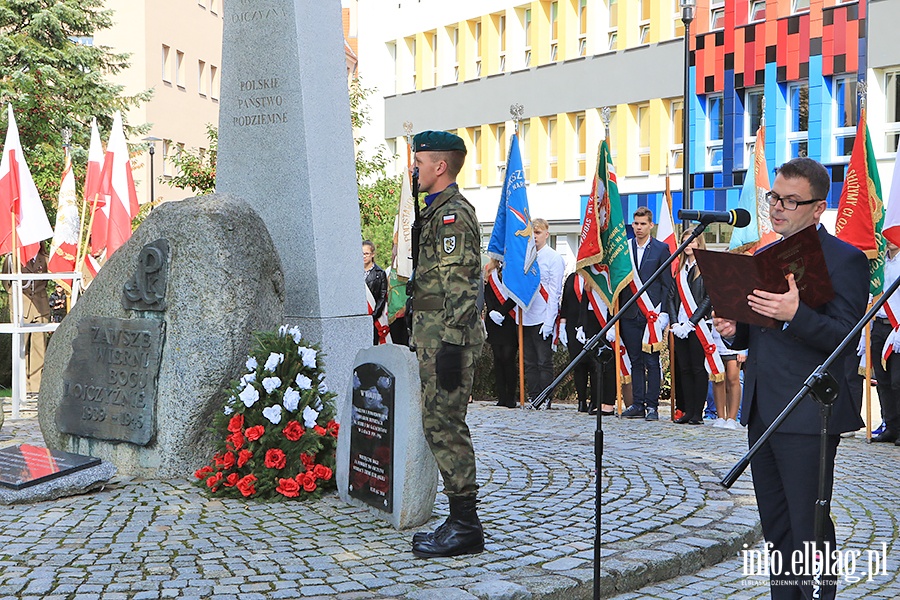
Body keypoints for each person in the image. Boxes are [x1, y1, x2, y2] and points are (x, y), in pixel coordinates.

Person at [714, 158, 868, 600]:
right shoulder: (764, 256)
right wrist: (735, 326)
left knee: (809, 525)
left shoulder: (845, 259)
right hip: (763, 409)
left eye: (789, 200)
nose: (777, 207)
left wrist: (796, 314)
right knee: (777, 527)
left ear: (818, 208)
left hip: (808, 414)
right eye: (774, 197)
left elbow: (844, 337)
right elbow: (758, 331)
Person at [407, 130, 485, 558]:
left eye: (419, 163)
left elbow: (460, 286)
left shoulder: (453, 215)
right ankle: (459, 520)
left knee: (446, 425)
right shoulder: (435, 212)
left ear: (440, 166)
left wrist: (452, 346)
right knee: (438, 423)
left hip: (447, 342)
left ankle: (465, 526)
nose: (412, 170)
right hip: (435, 338)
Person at [619, 207, 672, 421]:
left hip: (652, 314)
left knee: (652, 361)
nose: (639, 227)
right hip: (630, 314)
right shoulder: (625, 249)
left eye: (643, 224)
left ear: (651, 225)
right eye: (636, 223)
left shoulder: (661, 249)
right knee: (635, 361)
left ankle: (652, 406)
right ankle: (638, 404)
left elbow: (667, 284)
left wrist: (665, 314)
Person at [667, 230, 718, 425]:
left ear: (699, 243)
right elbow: (671, 298)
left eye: (691, 241)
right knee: (684, 369)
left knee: (698, 368)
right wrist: (674, 323)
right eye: (684, 241)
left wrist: (691, 322)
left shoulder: (705, 268)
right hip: (680, 326)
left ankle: (698, 412)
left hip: (697, 326)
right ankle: (687, 410)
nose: (687, 245)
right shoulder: (679, 270)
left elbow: (708, 298)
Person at [518, 218, 565, 405]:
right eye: (532, 233)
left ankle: (545, 397)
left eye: (537, 233)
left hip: (543, 315)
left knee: (543, 361)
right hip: (525, 315)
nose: (534, 237)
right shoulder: (524, 255)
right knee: (528, 361)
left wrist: (549, 320)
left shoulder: (553, 258)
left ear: (547, 234)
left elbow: (554, 292)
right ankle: (533, 395)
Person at [559, 271, 616, 415]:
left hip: (597, 321)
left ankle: (596, 401)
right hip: (578, 325)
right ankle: (581, 401)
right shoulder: (572, 278)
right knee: (578, 364)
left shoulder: (598, 276)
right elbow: (566, 302)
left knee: (596, 364)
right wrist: (564, 325)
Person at [3, 248, 51, 393]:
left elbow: (46, 280)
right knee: (21, 348)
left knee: (39, 348)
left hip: (40, 306)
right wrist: (15, 296)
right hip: (21, 306)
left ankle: (36, 388)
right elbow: (6, 281)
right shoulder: (14, 256)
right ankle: (23, 387)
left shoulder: (44, 257)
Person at [871, 240, 900, 445]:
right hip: (879, 324)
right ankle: (891, 426)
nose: (888, 238)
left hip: (897, 324)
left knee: (897, 380)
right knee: (882, 379)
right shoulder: (880, 264)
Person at [485, 259, 519, 408]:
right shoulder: (490, 272)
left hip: (509, 318)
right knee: (498, 358)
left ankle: (511, 397)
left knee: (508, 358)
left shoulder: (514, 269)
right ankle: (501, 397)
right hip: (494, 320)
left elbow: (516, 295)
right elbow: (487, 293)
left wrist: (502, 311)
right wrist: (492, 311)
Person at [363, 240, 388, 344]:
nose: (364, 256)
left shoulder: (380, 273)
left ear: (372, 254)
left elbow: (382, 297)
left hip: (374, 317)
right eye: (362, 254)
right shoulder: (353, 272)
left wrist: (374, 315)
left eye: (366, 253)